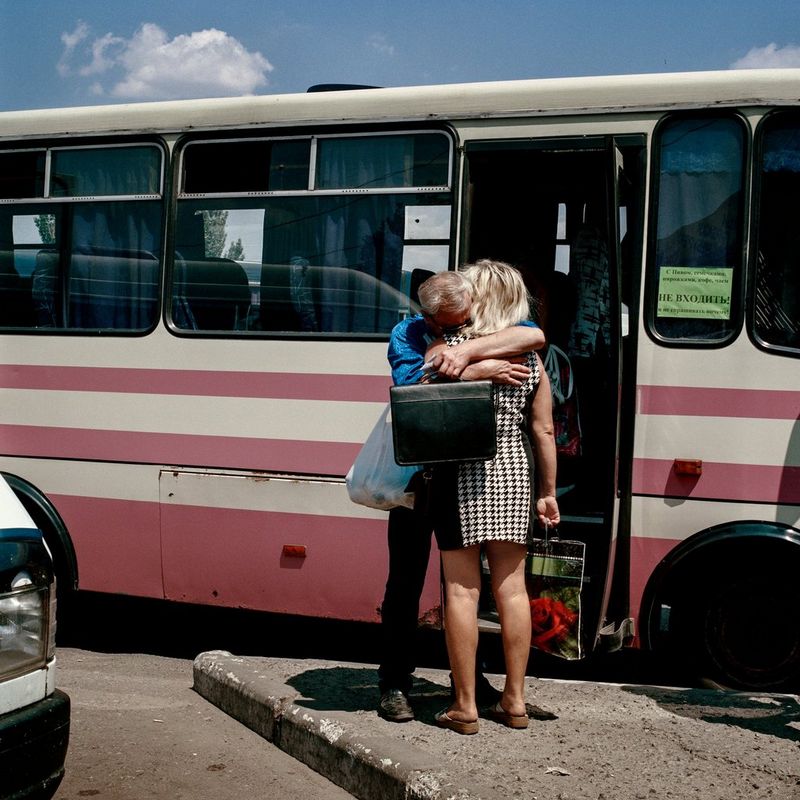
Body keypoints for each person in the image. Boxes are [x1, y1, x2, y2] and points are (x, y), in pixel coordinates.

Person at [378, 269, 545, 723]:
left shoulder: (482, 329)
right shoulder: (406, 334)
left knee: (460, 590)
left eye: (464, 320)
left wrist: (467, 353)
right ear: (429, 319)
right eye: (450, 326)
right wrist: (483, 368)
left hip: (464, 481)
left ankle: (469, 687)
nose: (458, 329)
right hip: (420, 479)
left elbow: (533, 334)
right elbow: (413, 389)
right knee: (407, 583)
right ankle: (395, 682)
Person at [424, 260, 560, 735]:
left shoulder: (447, 350)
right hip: (514, 474)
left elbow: (418, 391)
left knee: (461, 592)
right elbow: (543, 430)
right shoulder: (532, 359)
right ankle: (515, 701)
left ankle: (465, 707)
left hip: (458, 476)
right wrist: (547, 493)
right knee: (513, 589)